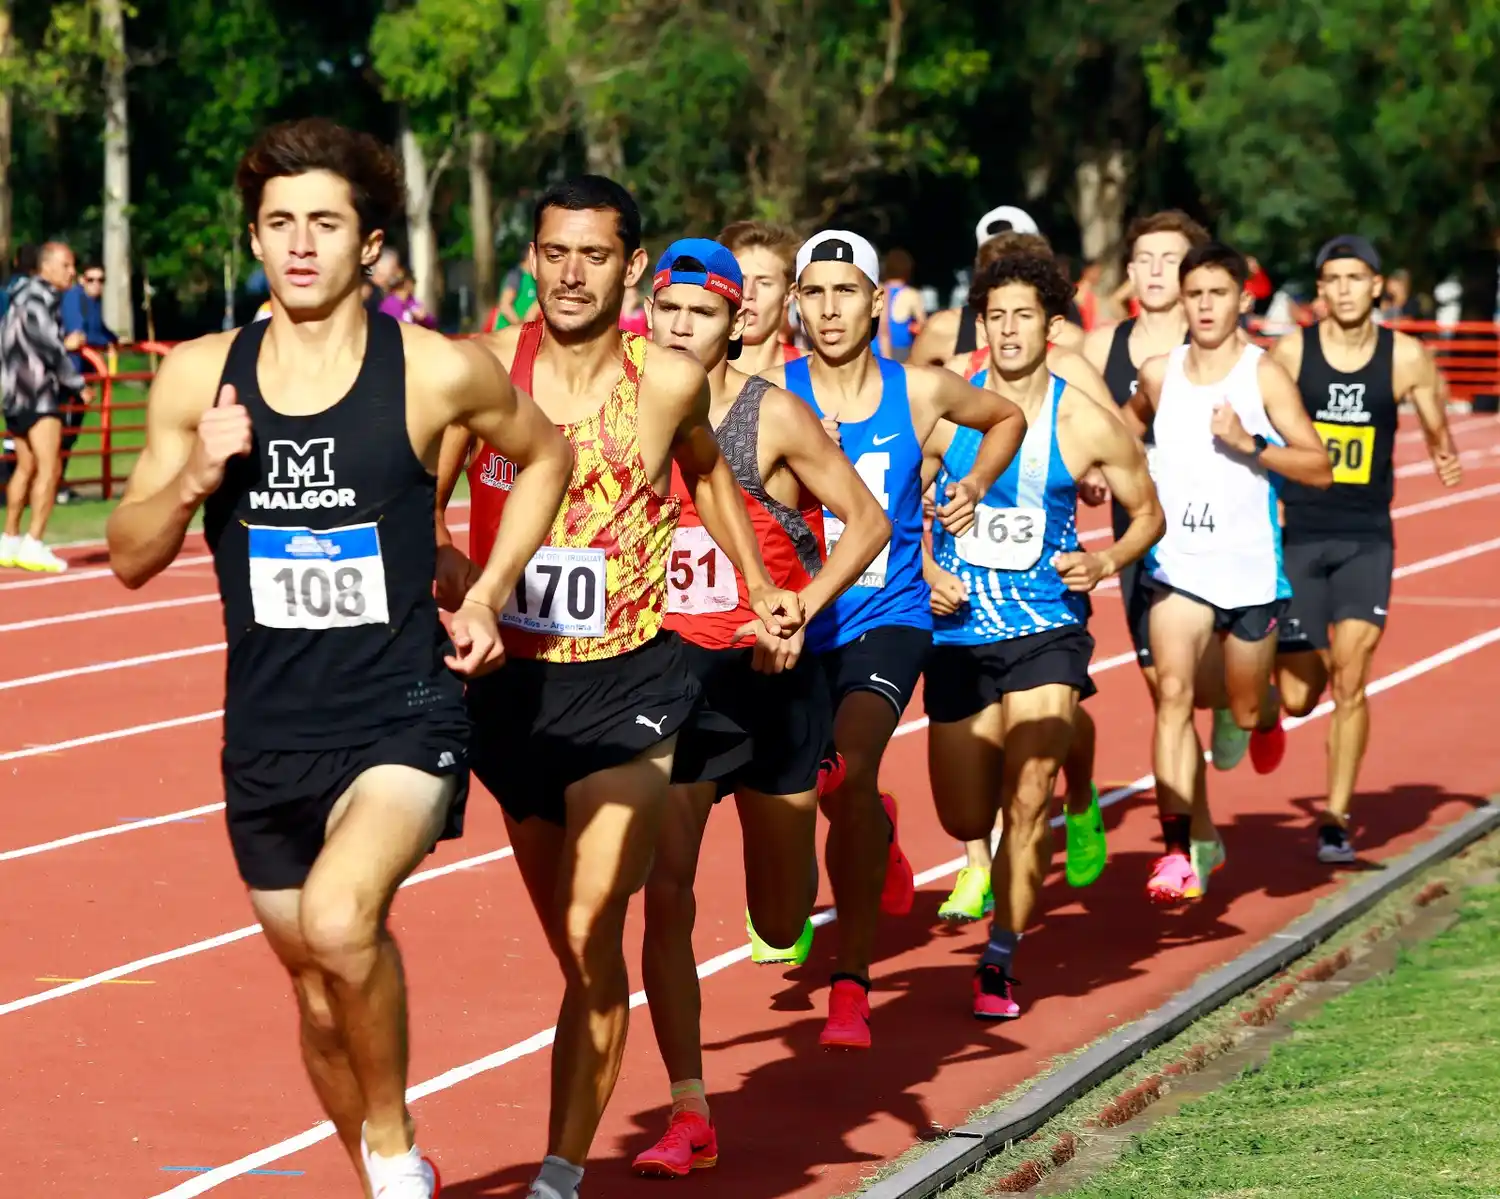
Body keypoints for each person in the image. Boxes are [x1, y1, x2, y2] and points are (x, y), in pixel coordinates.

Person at [105, 118, 574, 1199]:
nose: (300, 244)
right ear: (255, 240)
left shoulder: (434, 372)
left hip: (403, 712)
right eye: (278, 224)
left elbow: (544, 454)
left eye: (324, 223)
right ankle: (379, 1162)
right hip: (267, 733)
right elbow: (129, 557)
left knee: (338, 917)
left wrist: (491, 593)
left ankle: (398, 1150)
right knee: (318, 993)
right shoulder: (194, 381)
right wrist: (193, 480)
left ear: (369, 244)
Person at [434, 178, 801, 1199]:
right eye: (555, 252)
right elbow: (421, 507)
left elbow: (711, 478)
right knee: (582, 955)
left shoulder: (671, 379)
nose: (571, 272)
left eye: (594, 254)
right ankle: (581, 1121)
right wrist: (458, 582)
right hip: (515, 695)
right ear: (533, 258)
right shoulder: (482, 375)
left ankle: (557, 1174)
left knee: (600, 917)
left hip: (635, 680)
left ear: (631, 267)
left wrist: (763, 583)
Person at [631, 237, 890, 1176]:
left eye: (702, 313)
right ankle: (689, 1109)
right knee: (664, 893)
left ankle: (838, 820)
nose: (682, 327)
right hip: (670, 684)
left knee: (780, 923)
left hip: (775, 681)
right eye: (669, 309)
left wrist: (799, 610)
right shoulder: (626, 410)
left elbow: (869, 523)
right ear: (649, 312)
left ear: (738, 322)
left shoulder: (772, 416)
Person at [753, 228, 1027, 1049]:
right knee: (801, 834)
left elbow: (1006, 414)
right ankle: (870, 828)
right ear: (795, 304)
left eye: (847, 292)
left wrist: (973, 481)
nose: (830, 309)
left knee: (853, 763)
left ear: (878, 301)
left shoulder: (919, 392)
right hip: (799, 623)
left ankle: (852, 981)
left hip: (889, 616)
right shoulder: (770, 392)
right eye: (816, 293)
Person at [923, 249, 1163, 1016]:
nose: (1010, 329)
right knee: (965, 815)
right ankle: (996, 866)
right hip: (958, 632)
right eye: (996, 316)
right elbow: (888, 508)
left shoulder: (1082, 418)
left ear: (1051, 324)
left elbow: (1146, 511)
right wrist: (928, 565)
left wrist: (1106, 560)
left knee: (1028, 797)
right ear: (982, 326)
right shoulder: (944, 411)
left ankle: (1000, 956)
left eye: (1024, 314)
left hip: (1046, 630)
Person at [1127, 242, 1332, 903]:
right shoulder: (1160, 373)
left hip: (1249, 574)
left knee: (1240, 706)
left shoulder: (1262, 374)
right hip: (1178, 566)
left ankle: (1264, 712)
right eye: (1195, 295)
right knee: (1174, 696)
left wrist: (1253, 445)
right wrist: (1108, 472)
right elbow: (1123, 430)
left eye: (1219, 293)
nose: (1206, 306)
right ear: (1180, 301)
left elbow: (1319, 465)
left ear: (1243, 299)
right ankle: (1177, 852)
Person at [1270, 235, 1462, 863]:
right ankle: (1267, 702)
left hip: (1365, 536)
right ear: (1320, 291)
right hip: (1299, 529)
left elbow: (1435, 414)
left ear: (1377, 286)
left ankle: (1334, 817)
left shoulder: (1404, 356)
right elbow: (1259, 422)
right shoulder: (1294, 353)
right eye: (1333, 279)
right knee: (1301, 694)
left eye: (1357, 277)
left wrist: (1443, 450)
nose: (1345, 289)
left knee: (1352, 679)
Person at [1, 241, 84, 572]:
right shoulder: (40, 297)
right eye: (66, 265)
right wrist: (77, 383)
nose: (72, 272)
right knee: (50, 467)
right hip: (37, 393)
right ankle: (33, 542)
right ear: (46, 267)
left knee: (25, 465)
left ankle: (9, 538)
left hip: (13, 395)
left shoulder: (15, 296)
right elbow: (50, 348)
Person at [716, 220, 804, 373]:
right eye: (739, 280)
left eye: (764, 283)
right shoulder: (691, 372)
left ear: (790, 294)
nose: (748, 294)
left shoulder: (814, 375)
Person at [877, 248, 925, 362]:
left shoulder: (877, 290)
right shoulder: (911, 295)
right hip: (900, 351)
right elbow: (923, 327)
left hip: (875, 349)